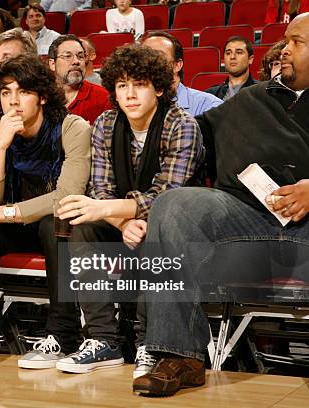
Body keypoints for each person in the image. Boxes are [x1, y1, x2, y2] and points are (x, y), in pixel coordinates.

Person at [134, 13, 309, 397]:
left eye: (296, 42)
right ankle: (182, 356)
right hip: (247, 217)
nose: (284, 49)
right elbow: (195, 135)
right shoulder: (254, 97)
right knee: (175, 206)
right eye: (284, 40)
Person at [54, 44, 202, 377]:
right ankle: (103, 340)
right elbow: (101, 189)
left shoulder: (182, 125)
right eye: (122, 86)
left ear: (159, 88)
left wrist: (123, 214)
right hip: (123, 223)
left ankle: (151, 343)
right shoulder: (106, 123)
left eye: (139, 84)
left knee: (158, 227)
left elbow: (168, 195)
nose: (130, 94)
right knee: (81, 225)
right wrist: (122, 223)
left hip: (172, 227)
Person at [0, 54, 91, 367]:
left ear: (43, 96)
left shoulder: (72, 128)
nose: (13, 102)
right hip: (17, 225)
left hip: (60, 227)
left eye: (23, 92)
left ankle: (64, 333)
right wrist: (1, 147)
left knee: (56, 223)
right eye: (6, 93)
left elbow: (66, 196)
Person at [143, 31, 223, 116]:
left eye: (158, 56)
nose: (150, 62)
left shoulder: (210, 107)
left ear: (177, 65)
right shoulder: (132, 106)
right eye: (144, 56)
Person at [48, 34, 111, 124]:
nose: (76, 61)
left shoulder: (103, 98)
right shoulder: (42, 97)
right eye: (68, 56)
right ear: (52, 64)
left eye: (80, 56)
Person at [205, 36, 257, 101]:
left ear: (250, 59)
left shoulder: (261, 91)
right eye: (228, 53)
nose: (232, 57)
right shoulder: (211, 94)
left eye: (239, 52)